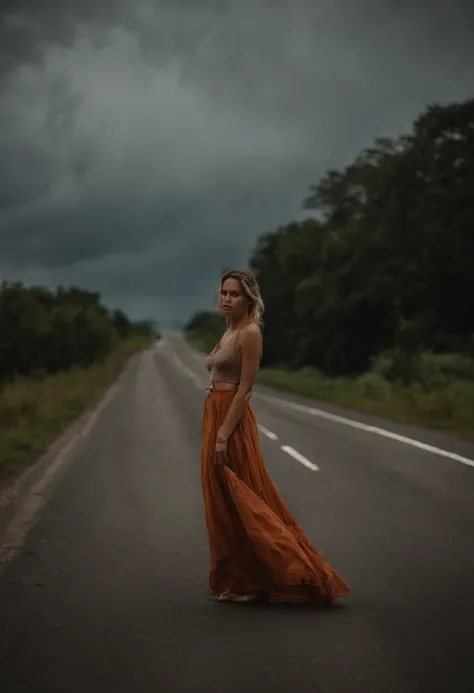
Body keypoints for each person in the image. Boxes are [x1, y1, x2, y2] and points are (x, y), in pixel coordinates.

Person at [201, 269, 350, 604]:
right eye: (223, 293)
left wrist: (224, 435)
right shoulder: (229, 330)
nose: (226, 299)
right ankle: (242, 578)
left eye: (234, 294)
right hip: (214, 412)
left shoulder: (250, 333)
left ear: (249, 298)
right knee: (223, 501)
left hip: (231, 420)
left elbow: (245, 390)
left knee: (246, 497)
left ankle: (278, 574)